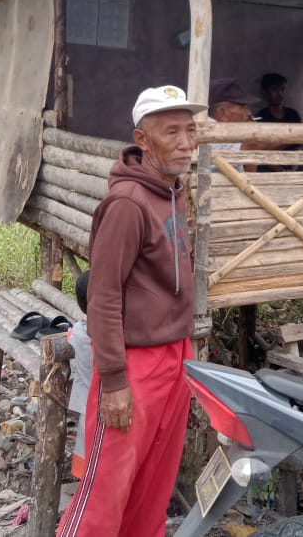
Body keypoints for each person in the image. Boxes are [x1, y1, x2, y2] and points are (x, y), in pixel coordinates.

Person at [57, 84, 205, 537]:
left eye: (191, 130)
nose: (186, 142)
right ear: (142, 141)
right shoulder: (126, 204)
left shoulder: (173, 191)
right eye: (171, 132)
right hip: (134, 364)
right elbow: (103, 296)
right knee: (107, 486)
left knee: (153, 481)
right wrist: (115, 381)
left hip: (173, 355)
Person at [66, 270, 91, 480]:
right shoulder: (119, 333)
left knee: (87, 450)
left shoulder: (79, 332)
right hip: (113, 404)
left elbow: (70, 337)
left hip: (88, 405)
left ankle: (85, 491)